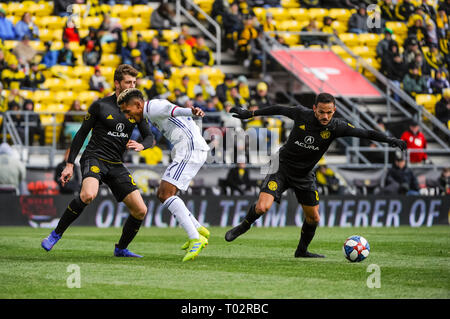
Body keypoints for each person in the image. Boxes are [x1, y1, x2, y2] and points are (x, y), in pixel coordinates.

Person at [224, 93, 406, 258]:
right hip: (281, 167)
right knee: (263, 207)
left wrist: (389, 139)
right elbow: (279, 109)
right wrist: (251, 114)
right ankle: (244, 225)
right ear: (314, 109)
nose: (325, 116)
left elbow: (365, 132)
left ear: (334, 110)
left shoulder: (337, 126)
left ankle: (301, 251)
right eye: (321, 112)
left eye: (329, 112)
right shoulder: (301, 114)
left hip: (304, 174)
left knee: (314, 218)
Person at [41, 65, 154, 258]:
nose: (132, 85)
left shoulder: (136, 108)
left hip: (116, 163)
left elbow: (150, 137)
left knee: (141, 210)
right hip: (94, 157)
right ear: (117, 83)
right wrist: (69, 164)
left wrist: (143, 145)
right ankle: (55, 234)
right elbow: (81, 134)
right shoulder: (101, 105)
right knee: (88, 195)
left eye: (134, 82)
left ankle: (121, 249)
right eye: (128, 82)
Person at [117, 88, 211, 262]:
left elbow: (174, 110)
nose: (127, 116)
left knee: (165, 194)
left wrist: (192, 111)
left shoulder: (154, 107)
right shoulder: (147, 112)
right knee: (164, 194)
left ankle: (195, 238)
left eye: (127, 111)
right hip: (186, 149)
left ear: (138, 105)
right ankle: (198, 230)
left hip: (190, 148)